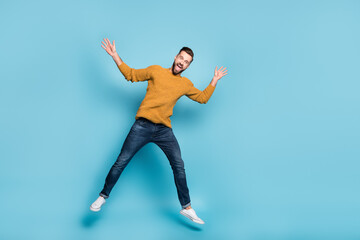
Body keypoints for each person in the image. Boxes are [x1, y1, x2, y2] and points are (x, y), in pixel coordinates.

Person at [90, 38, 228, 224]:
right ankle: (103, 196)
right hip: (142, 126)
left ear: (187, 66)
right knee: (121, 161)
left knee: (178, 164)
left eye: (186, 62)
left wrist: (214, 81)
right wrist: (115, 56)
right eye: (181, 58)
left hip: (164, 130)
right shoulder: (156, 70)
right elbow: (130, 74)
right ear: (175, 57)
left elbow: (202, 98)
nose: (182, 62)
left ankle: (187, 207)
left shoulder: (185, 84)